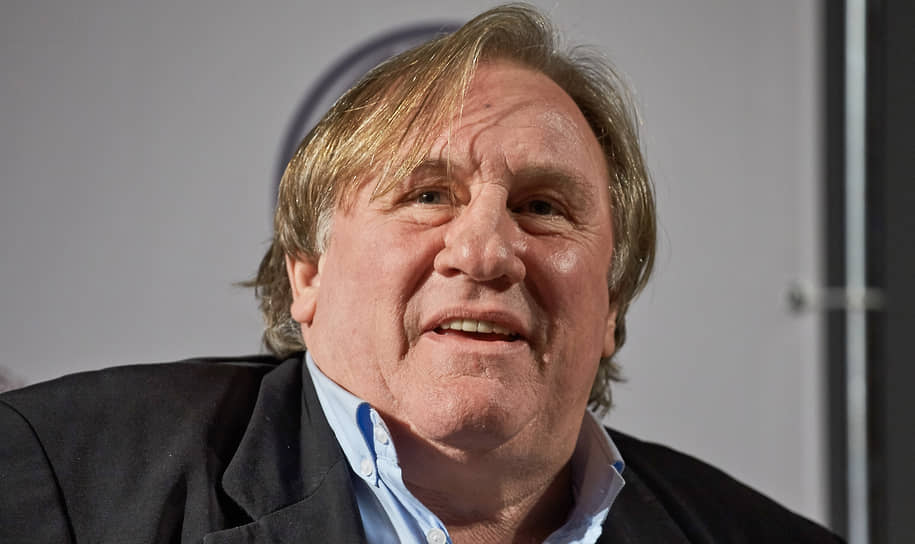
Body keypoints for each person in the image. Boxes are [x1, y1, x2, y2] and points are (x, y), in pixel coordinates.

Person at [0, 5, 841, 543]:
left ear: (612, 302)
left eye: (543, 206)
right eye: (428, 195)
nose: (484, 252)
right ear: (307, 272)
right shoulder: (56, 481)